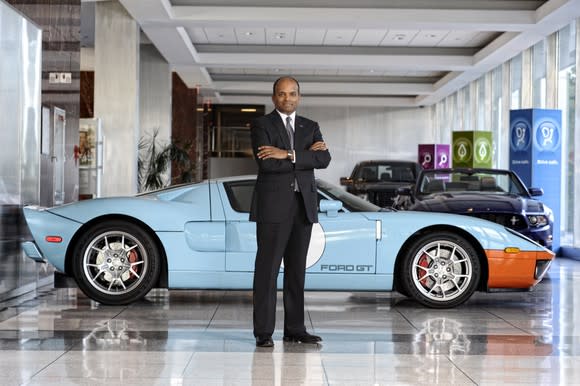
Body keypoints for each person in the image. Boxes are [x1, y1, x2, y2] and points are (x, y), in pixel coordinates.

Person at [250, 76, 331, 347]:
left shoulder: (311, 126)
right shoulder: (261, 124)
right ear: (273, 97)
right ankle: (263, 333)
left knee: (297, 271)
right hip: (273, 208)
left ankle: (295, 329)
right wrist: (305, 156)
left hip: (303, 207)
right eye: (282, 94)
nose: (287, 98)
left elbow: (324, 159)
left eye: (292, 93)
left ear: (299, 96)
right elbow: (267, 165)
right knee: (267, 270)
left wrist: (287, 154)